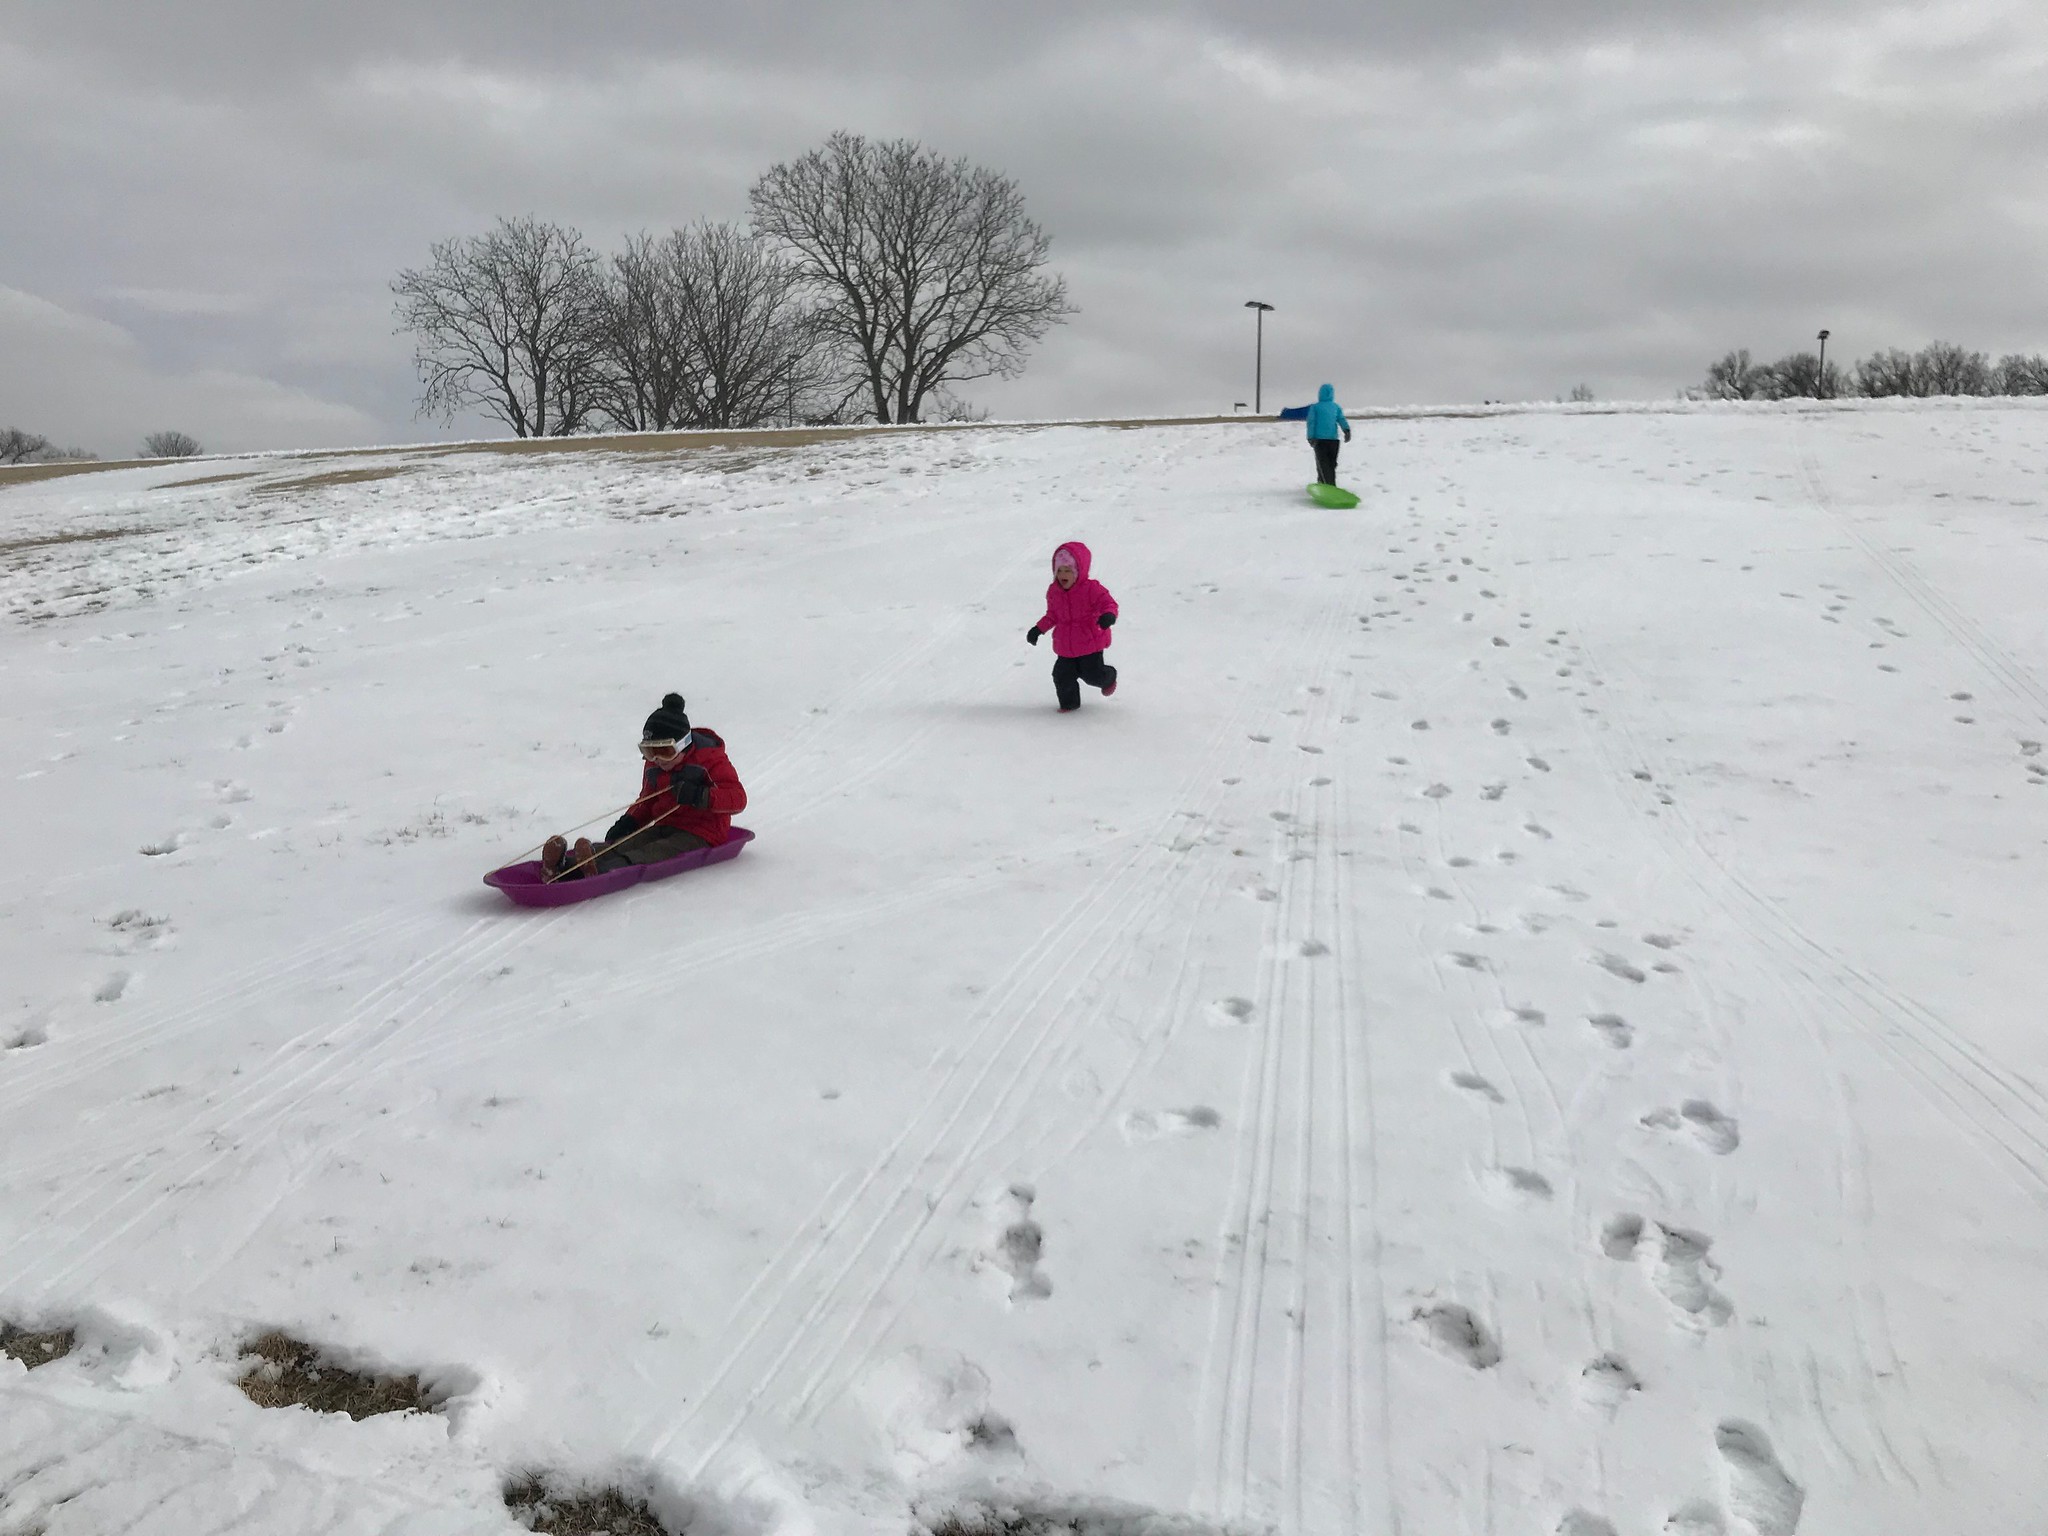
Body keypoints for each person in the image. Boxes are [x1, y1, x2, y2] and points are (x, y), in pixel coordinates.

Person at [541, 693, 747, 879]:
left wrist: (700, 796)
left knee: (654, 851)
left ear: (683, 745)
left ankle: (601, 871)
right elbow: (648, 800)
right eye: (649, 752)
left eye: (665, 751)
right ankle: (566, 865)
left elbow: (738, 799)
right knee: (628, 843)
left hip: (703, 833)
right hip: (665, 825)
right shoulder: (655, 765)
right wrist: (629, 822)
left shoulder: (709, 760)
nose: (658, 759)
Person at [1026, 542, 1119, 713]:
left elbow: (1109, 603)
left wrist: (1109, 615)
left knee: (1092, 676)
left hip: (1090, 643)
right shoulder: (1054, 591)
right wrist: (1038, 629)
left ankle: (1108, 677)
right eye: (1059, 570)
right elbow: (1052, 615)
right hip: (1065, 646)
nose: (1063, 575)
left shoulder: (1092, 589)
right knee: (1062, 675)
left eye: (1068, 570)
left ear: (1079, 571)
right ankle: (1069, 705)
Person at [1305, 382, 1352, 485]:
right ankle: (1326, 482)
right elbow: (1341, 419)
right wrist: (1346, 430)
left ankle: (1327, 484)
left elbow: (1311, 423)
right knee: (1331, 464)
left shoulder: (1315, 407)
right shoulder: (1336, 407)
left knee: (1322, 463)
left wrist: (1310, 437)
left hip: (1319, 441)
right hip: (1333, 441)